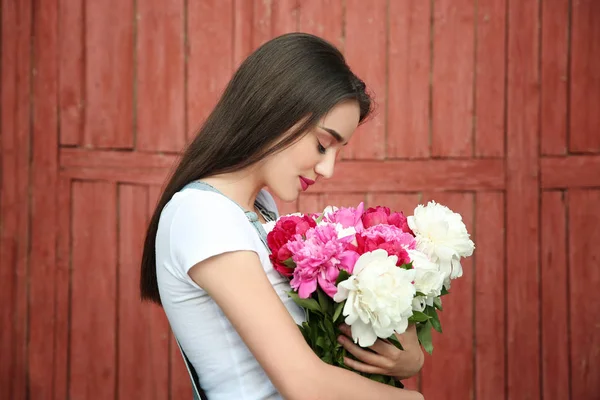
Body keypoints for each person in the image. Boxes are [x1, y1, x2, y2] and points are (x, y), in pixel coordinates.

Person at [140, 33, 425, 400]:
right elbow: (304, 383)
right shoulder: (201, 214)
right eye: (323, 144)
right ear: (276, 109)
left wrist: (405, 356)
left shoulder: (258, 208)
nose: (328, 168)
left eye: (338, 151)